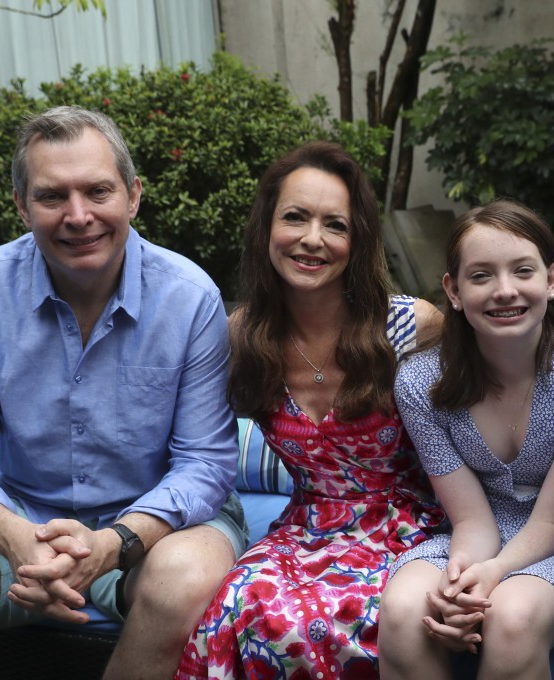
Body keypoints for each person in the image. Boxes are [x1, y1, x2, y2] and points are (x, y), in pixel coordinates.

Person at [0, 105, 248, 680]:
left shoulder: (190, 298)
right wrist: (18, 538)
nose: (79, 216)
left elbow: (205, 463)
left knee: (188, 582)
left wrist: (115, 541)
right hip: (24, 515)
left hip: (153, 527)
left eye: (98, 191)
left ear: (134, 195)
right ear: (22, 205)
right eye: (51, 196)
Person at [174, 141, 446, 680]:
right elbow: (191, 440)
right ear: (266, 228)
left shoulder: (412, 327)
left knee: (347, 618)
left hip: (410, 527)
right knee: (235, 606)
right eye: (295, 218)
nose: (312, 239)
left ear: (358, 239)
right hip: (306, 528)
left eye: (335, 225)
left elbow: (477, 427)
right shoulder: (241, 337)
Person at [377, 199, 554, 680]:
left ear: (551, 280)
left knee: (511, 619)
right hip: (477, 537)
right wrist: (461, 583)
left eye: (523, 271)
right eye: (481, 276)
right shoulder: (420, 383)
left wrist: (493, 577)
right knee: (409, 610)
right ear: (453, 290)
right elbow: (471, 517)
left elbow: (552, 525)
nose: (504, 291)